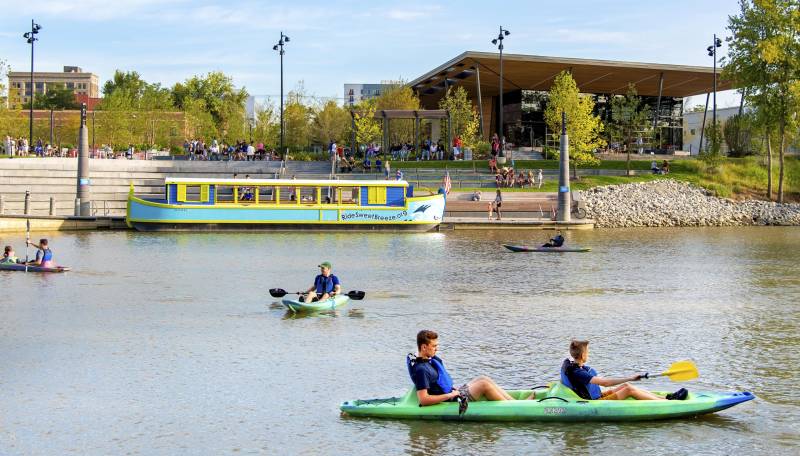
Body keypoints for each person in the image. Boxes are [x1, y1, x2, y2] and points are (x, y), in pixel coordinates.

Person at [557, 339, 688, 401]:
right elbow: (605, 383)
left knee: (626, 386)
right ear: (583, 355)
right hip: (595, 403)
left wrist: (629, 380)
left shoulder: (574, 366)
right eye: (588, 351)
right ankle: (666, 403)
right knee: (629, 389)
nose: (588, 354)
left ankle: (667, 397)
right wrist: (631, 377)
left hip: (597, 396)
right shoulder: (578, 372)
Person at [409, 330, 513, 407]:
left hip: (453, 393)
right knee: (483, 385)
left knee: (484, 378)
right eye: (434, 346)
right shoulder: (421, 370)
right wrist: (450, 395)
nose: (437, 349)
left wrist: (453, 391)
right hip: (451, 400)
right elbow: (424, 400)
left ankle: (515, 402)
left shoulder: (429, 359)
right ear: (423, 347)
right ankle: (512, 407)